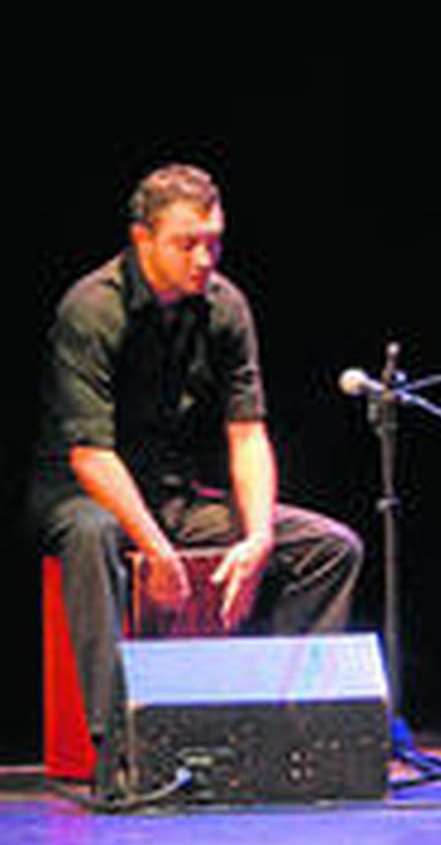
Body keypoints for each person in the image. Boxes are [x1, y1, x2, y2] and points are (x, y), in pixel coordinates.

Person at [28, 163, 363, 790]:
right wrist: (155, 548)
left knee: (329, 549)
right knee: (93, 533)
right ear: (142, 239)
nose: (204, 257)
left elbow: (247, 432)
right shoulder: (92, 309)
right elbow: (90, 455)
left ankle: (278, 732)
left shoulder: (225, 306)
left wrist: (259, 537)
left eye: (214, 241)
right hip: (81, 493)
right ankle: (117, 748)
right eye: (188, 243)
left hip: (173, 495)